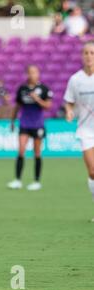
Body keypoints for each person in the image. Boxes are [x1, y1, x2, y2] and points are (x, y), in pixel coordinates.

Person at [8, 65, 53, 191]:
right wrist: (12, 121)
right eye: (30, 72)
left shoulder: (44, 89)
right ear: (27, 74)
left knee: (37, 152)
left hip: (37, 124)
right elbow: (17, 106)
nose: (32, 75)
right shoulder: (22, 89)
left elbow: (48, 106)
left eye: (34, 72)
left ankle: (36, 181)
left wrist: (37, 99)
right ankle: (17, 180)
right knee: (21, 150)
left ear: (38, 74)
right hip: (24, 124)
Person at [64, 41, 94, 219]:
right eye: (86, 53)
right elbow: (69, 101)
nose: (89, 56)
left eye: (92, 53)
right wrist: (69, 111)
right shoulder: (75, 79)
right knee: (92, 171)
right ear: (82, 56)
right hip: (86, 131)